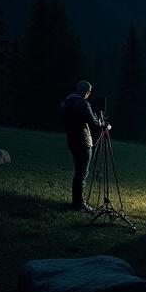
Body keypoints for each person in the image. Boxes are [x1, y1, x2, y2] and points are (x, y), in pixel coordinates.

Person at [60, 80, 106, 212]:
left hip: (71, 139)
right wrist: (103, 125)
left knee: (78, 172)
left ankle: (76, 201)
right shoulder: (82, 103)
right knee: (83, 173)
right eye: (89, 91)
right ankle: (80, 204)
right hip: (83, 141)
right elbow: (93, 122)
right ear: (87, 91)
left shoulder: (67, 101)